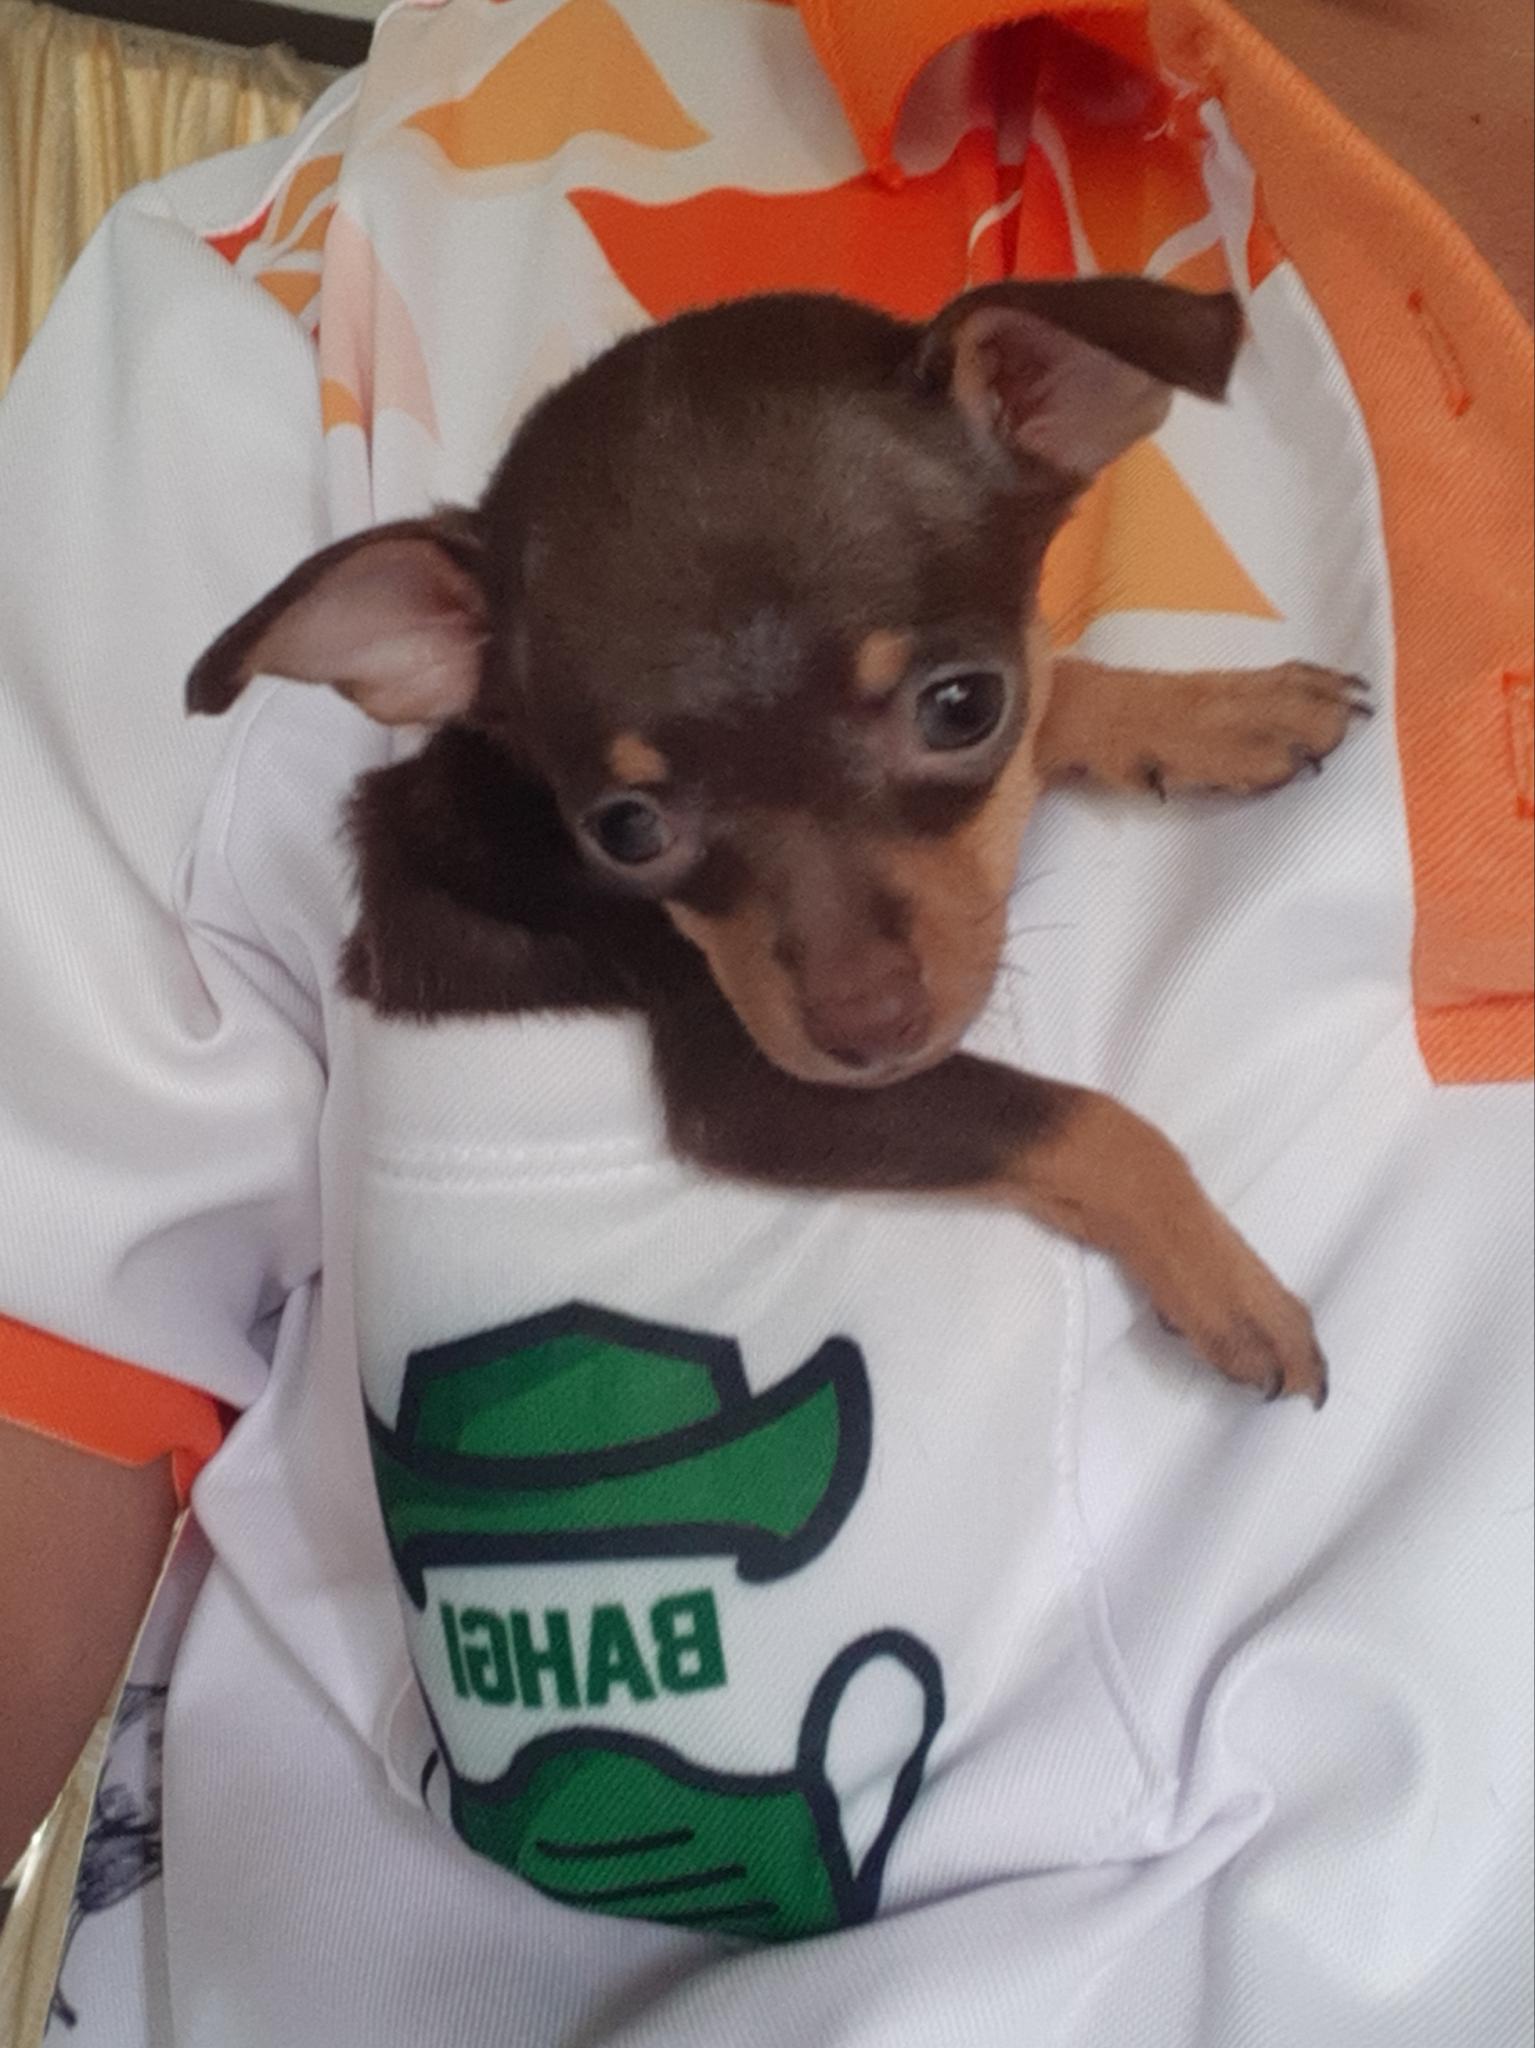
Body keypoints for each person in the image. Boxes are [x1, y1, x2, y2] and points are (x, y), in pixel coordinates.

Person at [2, 0, 1530, 2042]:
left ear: (1064, 400)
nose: (861, 985)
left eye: (954, 712)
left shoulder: (987, 421)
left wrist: (1060, 715)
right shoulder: (338, 275)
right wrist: (1119, 1169)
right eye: (644, 827)